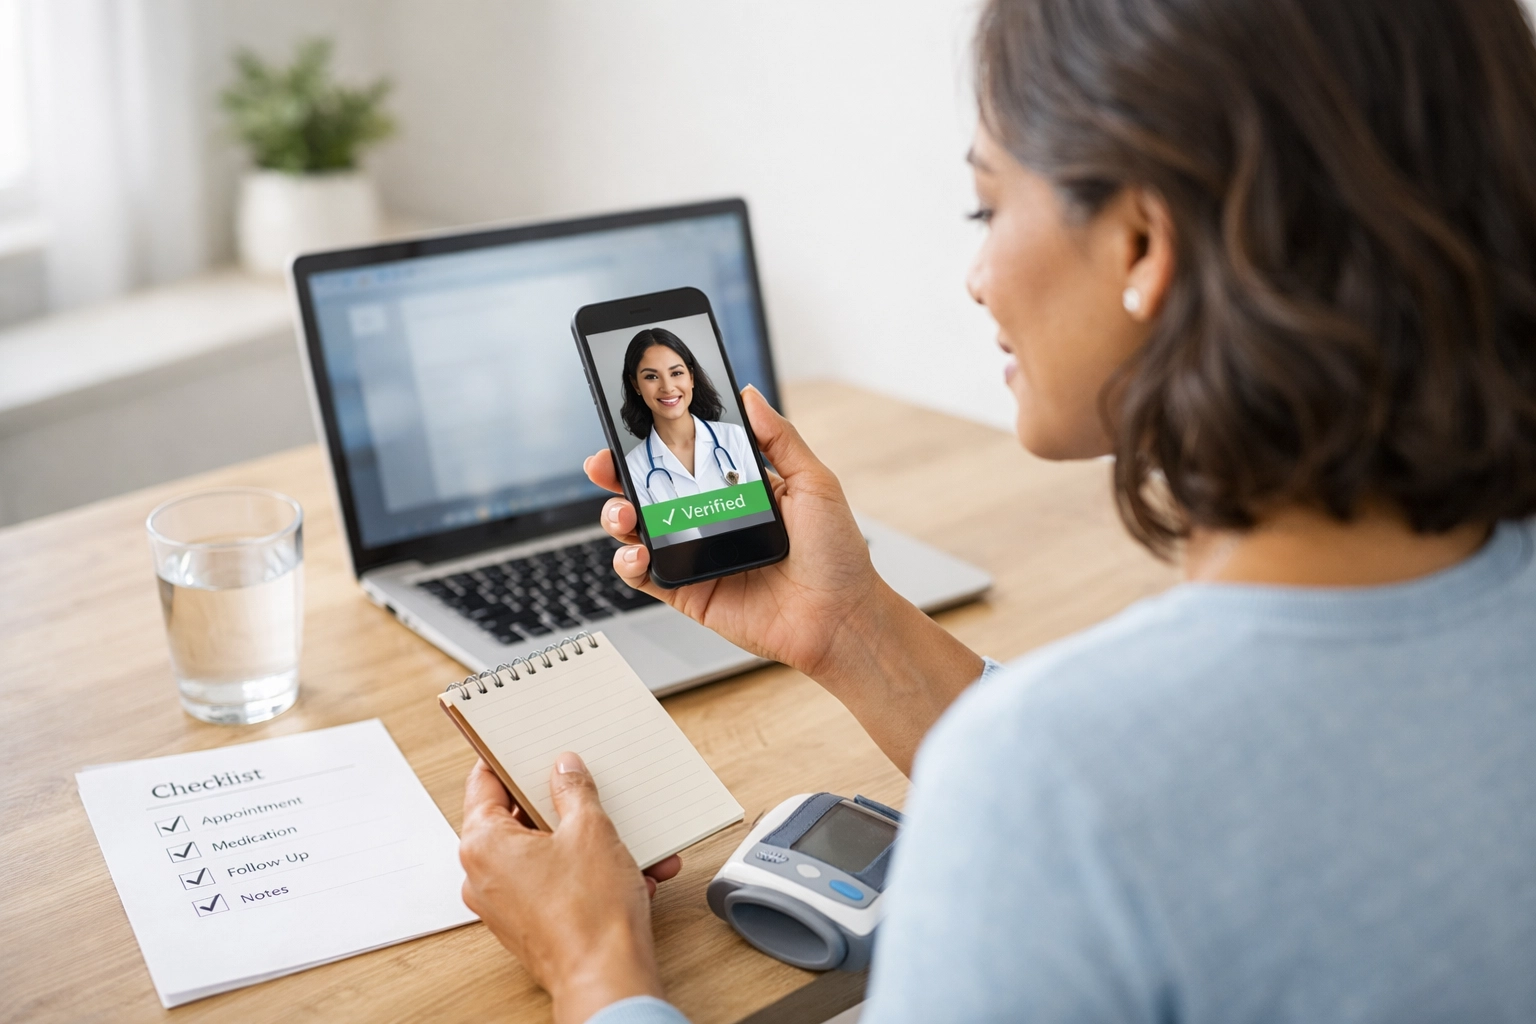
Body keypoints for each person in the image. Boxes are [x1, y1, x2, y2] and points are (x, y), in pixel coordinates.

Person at [458, 0, 1536, 1021]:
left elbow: (1091, 795)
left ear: (1145, 245)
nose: (977, 275)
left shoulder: (1052, 789)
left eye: (990, 204)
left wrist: (594, 964)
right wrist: (853, 627)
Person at [618, 327, 760, 507]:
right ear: (635, 385)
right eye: (652, 376)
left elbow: (763, 512)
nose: (667, 387)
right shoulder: (633, 467)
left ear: (691, 377)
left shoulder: (736, 438)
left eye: (676, 373)